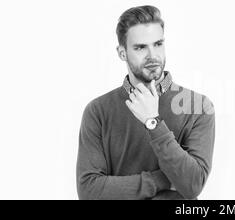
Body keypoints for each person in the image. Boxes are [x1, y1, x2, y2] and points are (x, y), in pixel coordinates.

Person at [76, 5, 215, 200]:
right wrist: (163, 180)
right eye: (140, 47)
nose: (152, 55)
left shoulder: (198, 107)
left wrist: (153, 121)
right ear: (122, 53)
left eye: (158, 44)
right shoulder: (97, 111)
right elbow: (89, 190)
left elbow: (192, 184)